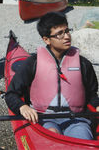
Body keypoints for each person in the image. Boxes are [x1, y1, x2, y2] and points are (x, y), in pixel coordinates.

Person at [5, 12, 99, 140]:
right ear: (46, 39)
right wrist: (22, 106)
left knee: (82, 138)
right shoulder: (33, 63)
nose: (66, 36)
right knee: (53, 135)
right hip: (43, 118)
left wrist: (97, 104)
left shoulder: (83, 64)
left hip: (76, 119)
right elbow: (11, 94)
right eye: (60, 33)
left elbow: (91, 94)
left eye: (67, 31)